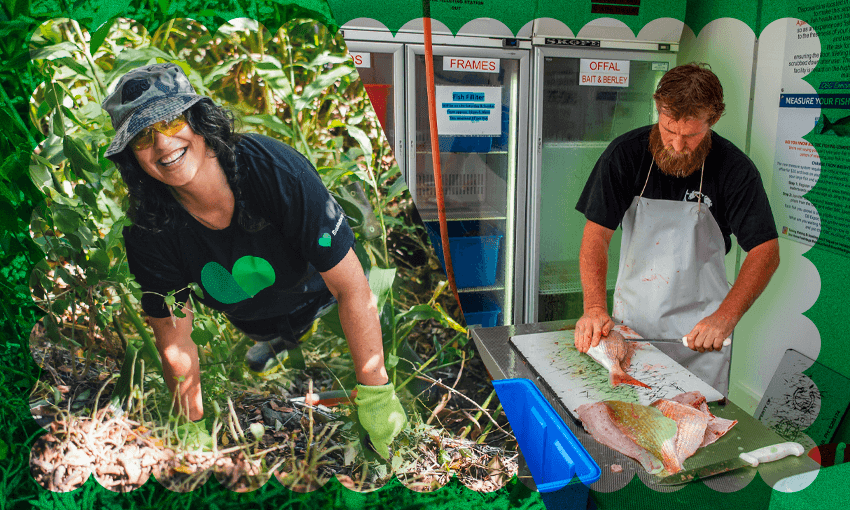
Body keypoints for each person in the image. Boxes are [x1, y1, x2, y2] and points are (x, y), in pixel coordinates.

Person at [102, 62, 406, 456]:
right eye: (142, 137)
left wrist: (377, 393)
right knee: (266, 369)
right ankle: (277, 343)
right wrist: (190, 428)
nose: (162, 144)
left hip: (326, 295)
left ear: (198, 119)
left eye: (171, 122)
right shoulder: (149, 230)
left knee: (394, 378)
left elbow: (350, 288)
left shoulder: (273, 170)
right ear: (132, 158)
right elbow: (174, 338)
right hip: (253, 319)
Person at [572, 63, 780, 396]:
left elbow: (765, 251)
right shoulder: (624, 156)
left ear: (713, 120)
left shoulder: (735, 169)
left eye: (691, 135)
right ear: (658, 110)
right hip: (633, 329)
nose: (678, 145)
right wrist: (594, 308)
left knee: (696, 428)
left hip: (701, 335)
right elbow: (597, 235)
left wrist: (726, 316)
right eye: (669, 130)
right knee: (631, 420)